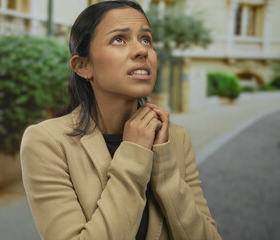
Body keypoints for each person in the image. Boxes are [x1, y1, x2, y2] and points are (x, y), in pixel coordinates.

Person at [20, 1, 221, 239]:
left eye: (146, 39)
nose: (141, 50)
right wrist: (134, 152)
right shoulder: (47, 142)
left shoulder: (175, 138)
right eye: (119, 39)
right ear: (83, 66)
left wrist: (165, 169)